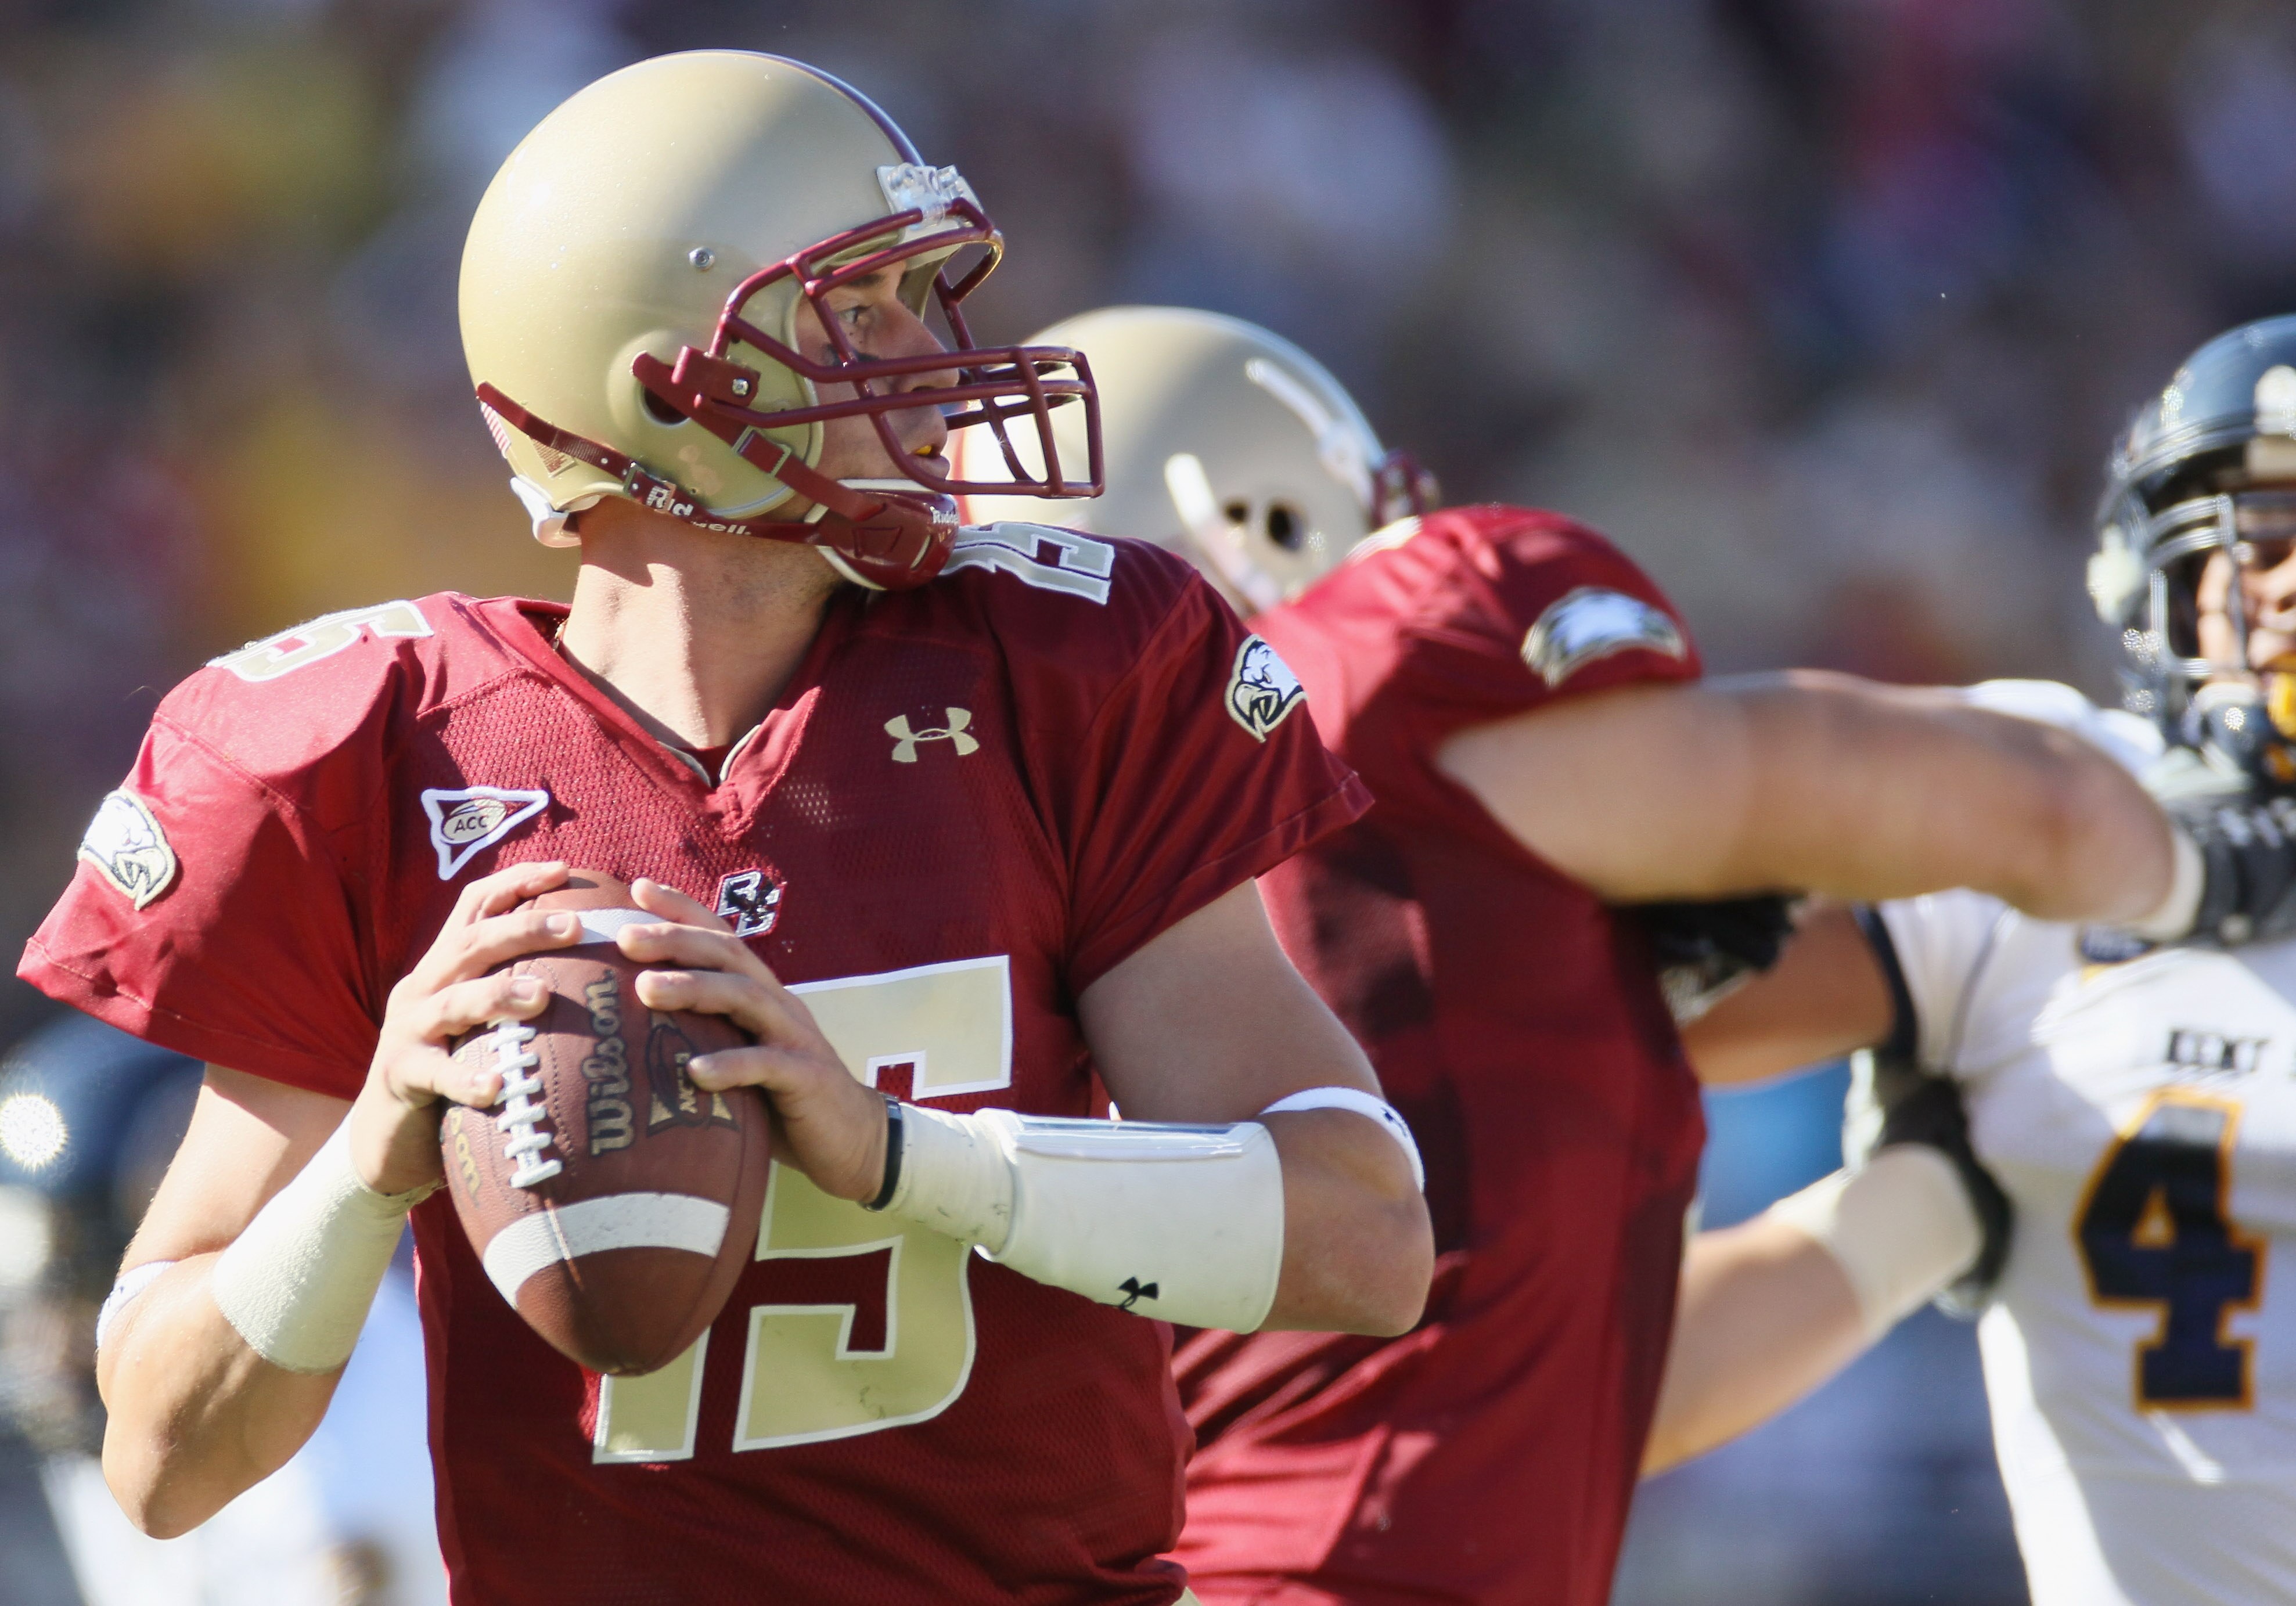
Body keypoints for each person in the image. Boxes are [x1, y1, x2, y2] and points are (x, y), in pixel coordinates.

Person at [21, 56, 1433, 1606]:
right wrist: (369, 1159)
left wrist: (903, 1154)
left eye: (921, 299)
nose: (937, 358)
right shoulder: (359, 751)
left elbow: (1362, 1243)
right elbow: (163, 1461)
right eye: (861, 314)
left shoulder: (1063, 670)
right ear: (659, 383)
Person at [958, 305, 2296, 1606]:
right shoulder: (1370, 683)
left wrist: (1918, 1206)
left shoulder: (999, 902)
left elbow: (1571, 1385)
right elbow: (1990, 806)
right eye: (2269, 531)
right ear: (1272, 520)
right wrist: (2190, 857)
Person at [1644, 315, 2296, 1605]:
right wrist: (1904, 1218)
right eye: (2262, 537)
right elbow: (1631, 1015)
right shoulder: (2053, 827)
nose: (2288, 589)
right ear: (2158, 581)